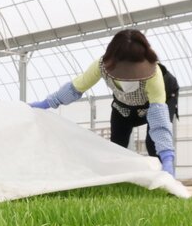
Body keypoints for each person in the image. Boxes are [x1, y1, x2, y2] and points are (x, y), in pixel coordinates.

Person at [30, 29, 180, 178]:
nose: (128, 75)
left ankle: (165, 179)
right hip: (123, 106)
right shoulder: (101, 66)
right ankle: (118, 180)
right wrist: (47, 103)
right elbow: (76, 87)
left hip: (157, 102)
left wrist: (167, 156)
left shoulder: (153, 74)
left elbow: (158, 118)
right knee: (116, 144)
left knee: (152, 144)